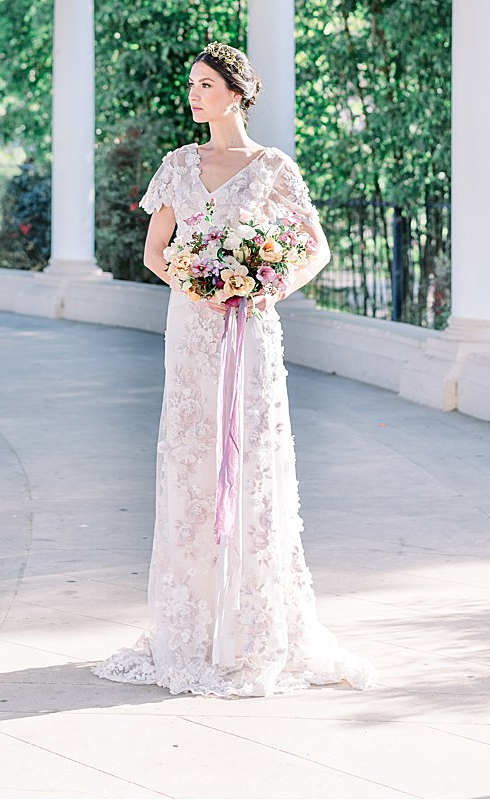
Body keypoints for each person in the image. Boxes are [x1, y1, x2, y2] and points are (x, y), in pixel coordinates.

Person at [92, 42, 377, 698]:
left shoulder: (271, 166)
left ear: (236, 92)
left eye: (205, 84)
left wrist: (266, 287)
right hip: (193, 329)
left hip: (249, 328)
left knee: (251, 460)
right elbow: (153, 252)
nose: (193, 94)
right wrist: (199, 287)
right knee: (192, 458)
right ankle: (190, 629)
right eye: (190, 84)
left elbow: (313, 247)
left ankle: (251, 625)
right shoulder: (177, 164)